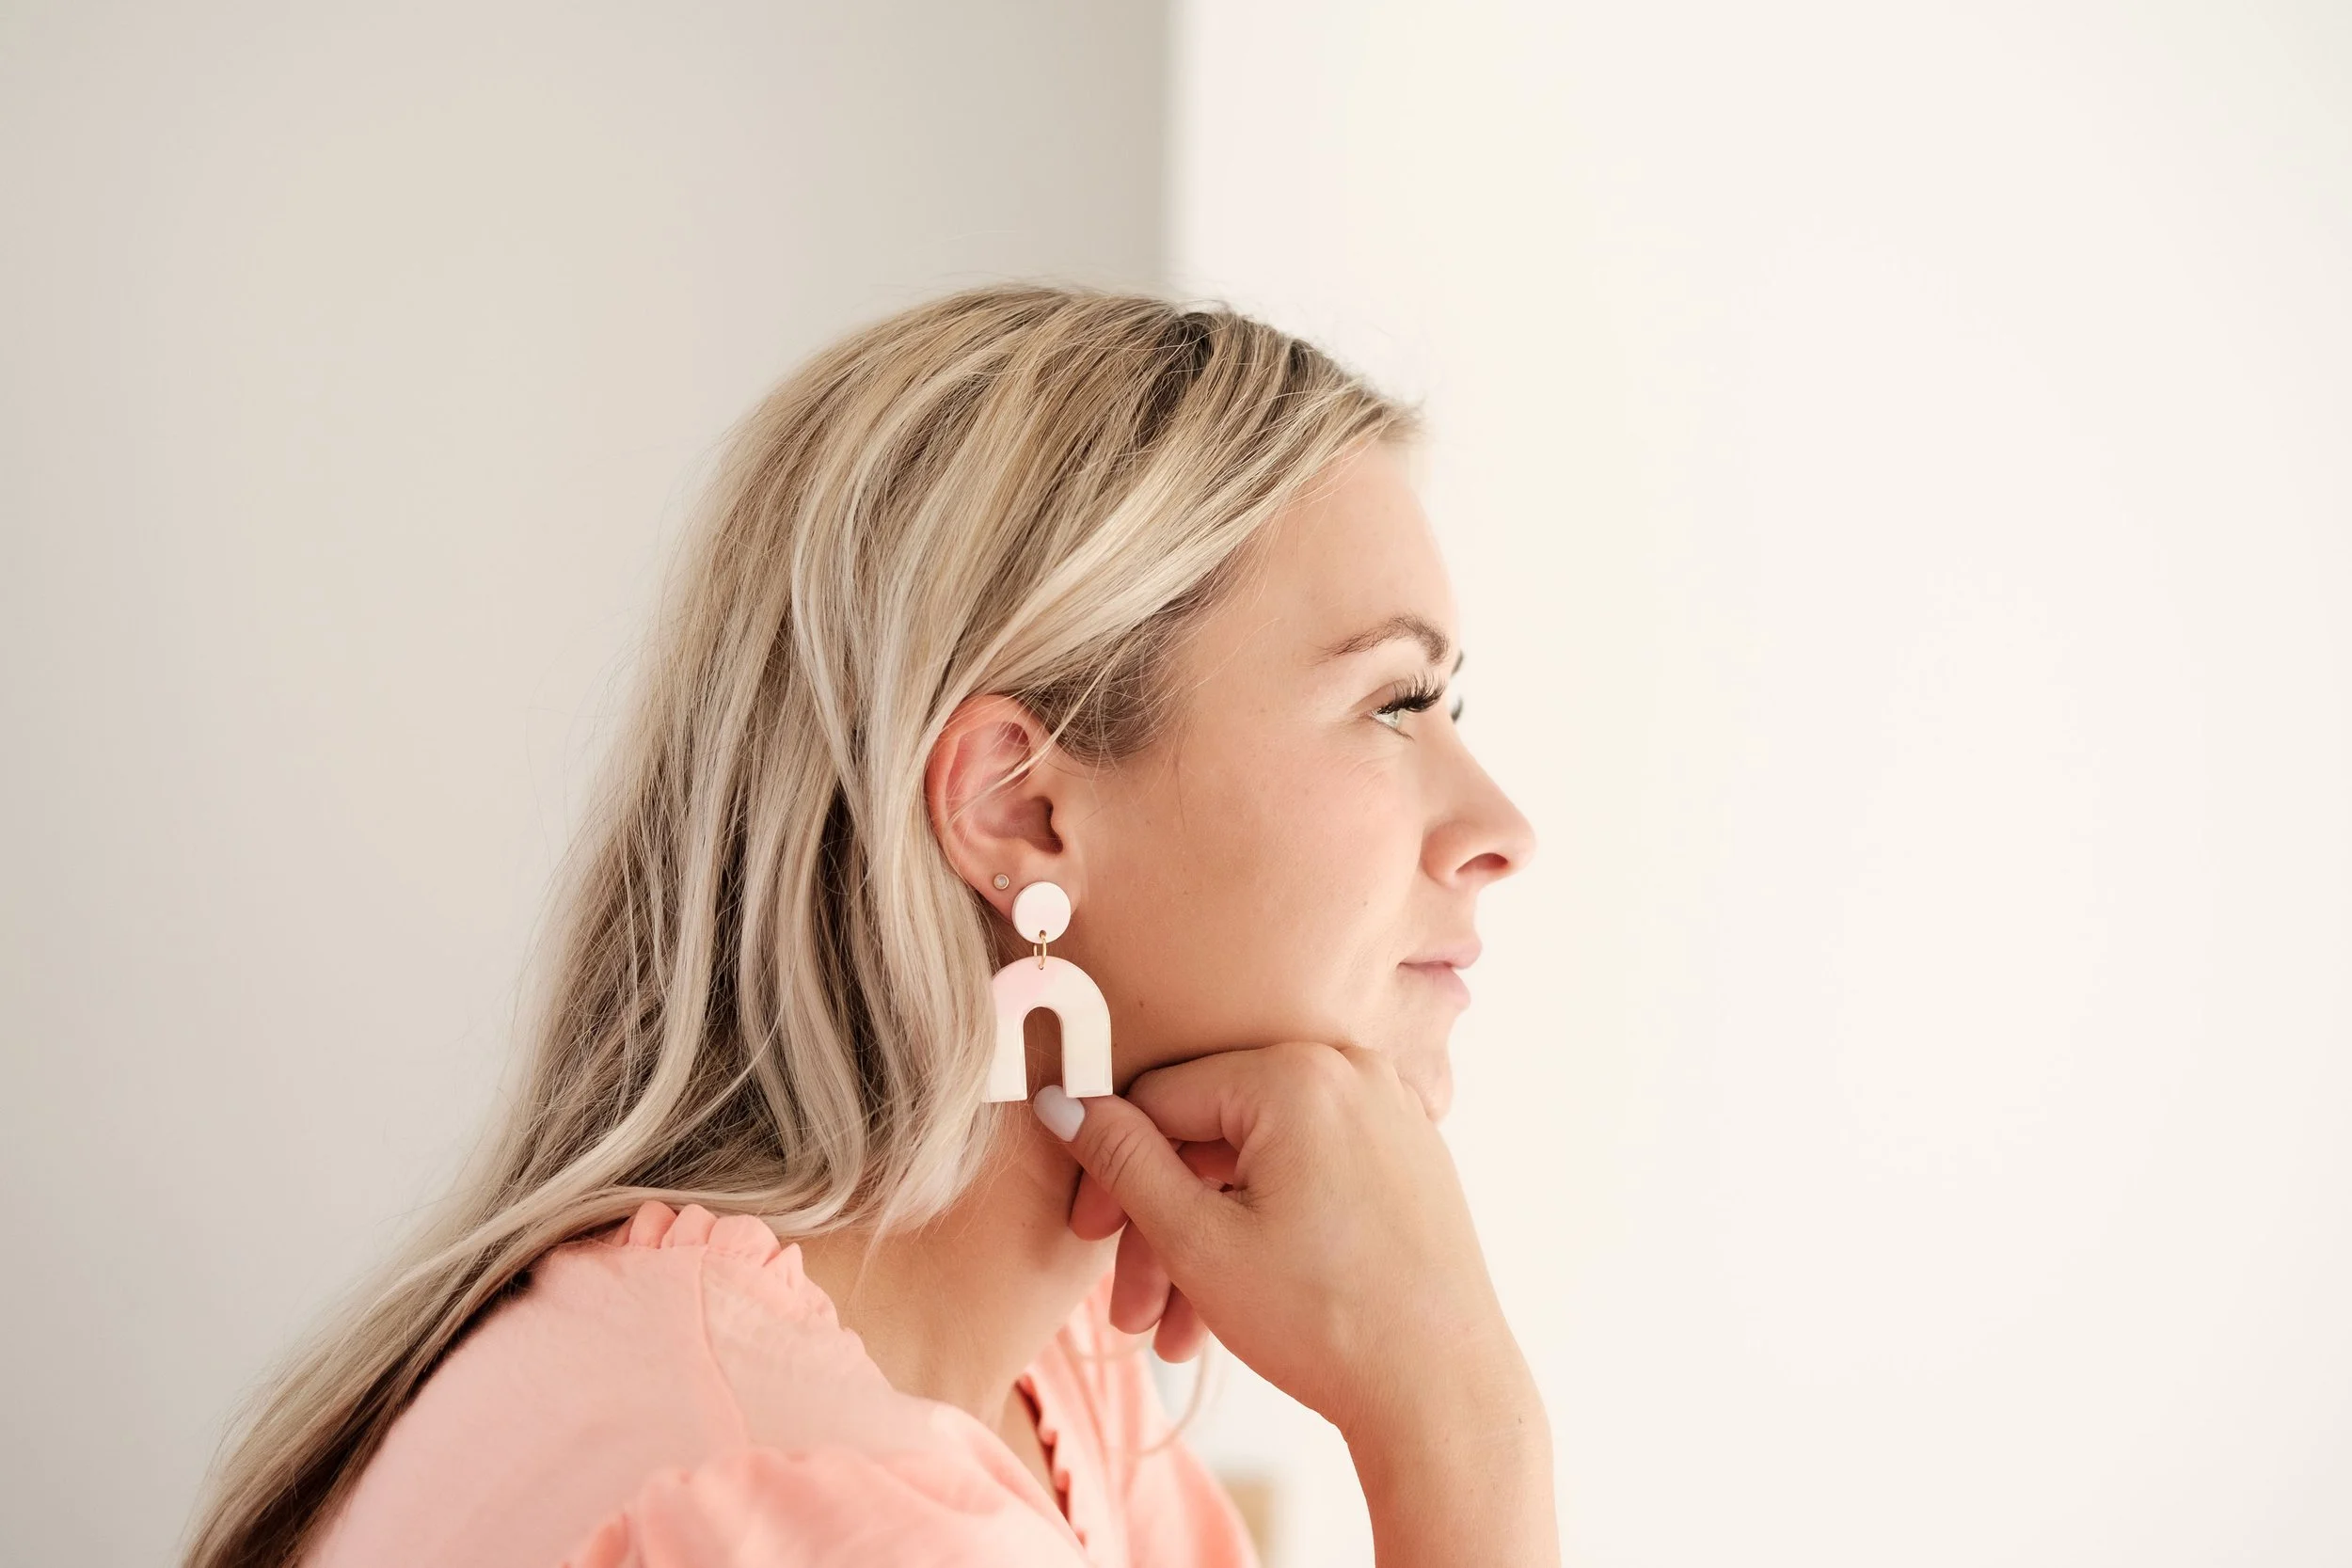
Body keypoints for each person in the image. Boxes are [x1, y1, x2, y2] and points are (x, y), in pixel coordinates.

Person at [185, 286, 1551, 1568]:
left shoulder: (1047, 1385)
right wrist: (1460, 1428)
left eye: (1451, 707)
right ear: (1019, 809)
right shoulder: (802, 1509)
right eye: (1393, 703)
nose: (1501, 825)